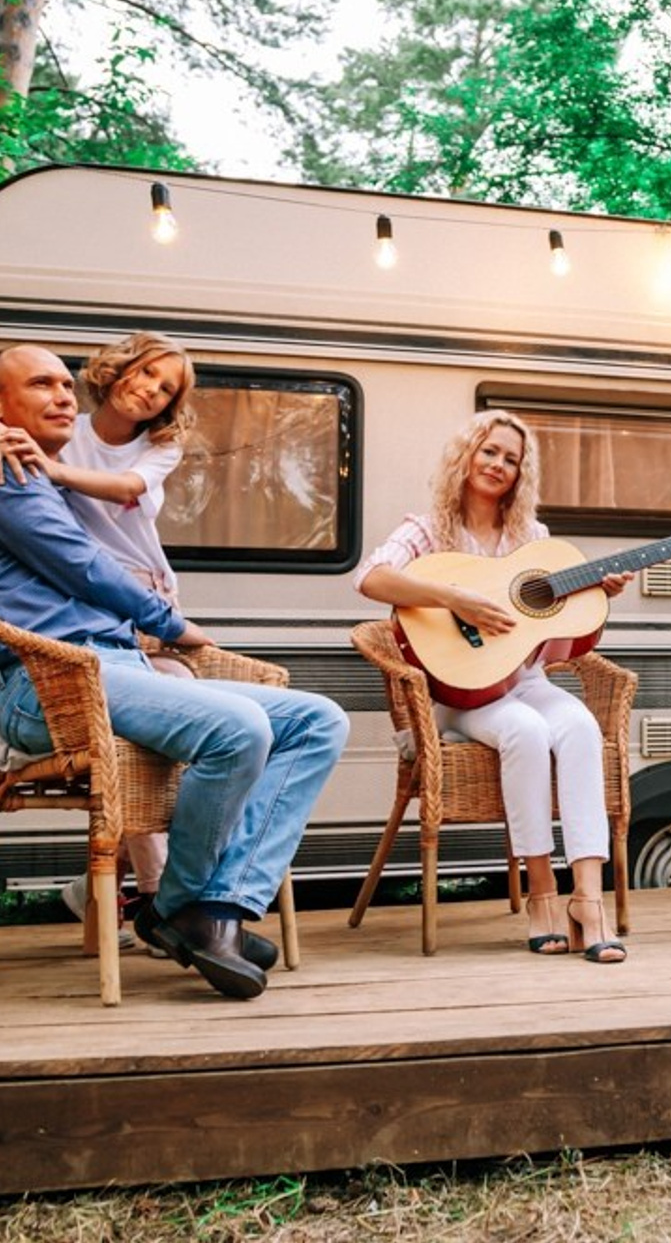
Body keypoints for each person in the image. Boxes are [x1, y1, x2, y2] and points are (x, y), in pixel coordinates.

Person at [0, 344, 350, 999]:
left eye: (63, 385)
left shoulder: (48, 463)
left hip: (117, 667)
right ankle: (183, 908)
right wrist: (172, 624)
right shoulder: (8, 471)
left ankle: (215, 907)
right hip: (44, 685)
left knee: (317, 721)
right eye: (39, 384)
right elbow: (82, 563)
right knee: (238, 727)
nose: (62, 395)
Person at [355, 408, 630, 962]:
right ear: (467, 455)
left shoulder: (533, 538)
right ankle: (542, 896)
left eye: (511, 459)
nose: (498, 465)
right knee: (525, 733)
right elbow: (371, 577)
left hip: (522, 680)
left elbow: (554, 619)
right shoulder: (428, 528)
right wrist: (454, 599)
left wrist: (600, 593)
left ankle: (588, 901)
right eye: (489, 451)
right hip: (456, 694)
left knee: (578, 725)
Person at [1, 331, 197, 928]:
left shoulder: (160, 445)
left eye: (166, 390)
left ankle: (102, 886)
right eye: (145, 374)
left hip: (143, 590)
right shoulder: (63, 429)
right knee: (164, 738)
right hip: (102, 596)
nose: (151, 391)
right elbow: (78, 562)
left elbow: (127, 489)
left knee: (160, 745)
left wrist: (55, 472)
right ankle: (165, 896)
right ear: (115, 372)